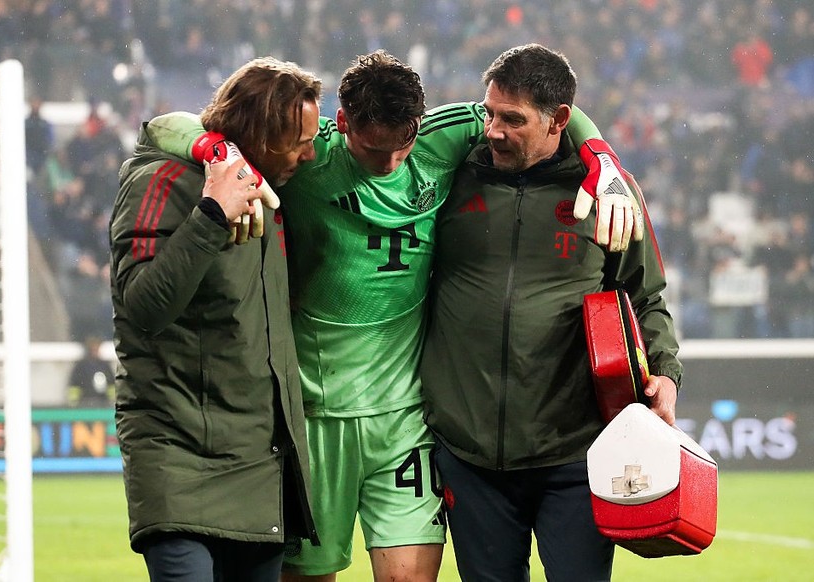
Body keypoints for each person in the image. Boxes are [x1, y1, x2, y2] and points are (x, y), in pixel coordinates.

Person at [146, 49, 640, 582]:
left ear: (419, 126)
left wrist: (601, 155)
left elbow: (555, 111)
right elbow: (160, 128)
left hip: (404, 418)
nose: (387, 164)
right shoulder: (306, 157)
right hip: (314, 416)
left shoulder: (448, 135)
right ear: (342, 125)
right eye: (371, 149)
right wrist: (213, 148)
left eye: (401, 148)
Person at [420, 44, 683, 581]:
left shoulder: (609, 193)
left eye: (512, 120)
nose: (492, 129)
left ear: (559, 120)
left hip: (575, 451)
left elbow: (644, 295)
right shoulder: (449, 177)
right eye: (489, 112)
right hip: (469, 456)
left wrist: (668, 374)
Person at [109, 57, 322, 581]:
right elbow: (142, 306)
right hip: (177, 451)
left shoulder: (271, 190)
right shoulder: (163, 179)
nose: (309, 153)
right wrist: (211, 213)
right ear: (258, 131)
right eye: (297, 139)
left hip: (256, 459)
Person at [66, 336, 114, 408]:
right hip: (84, 403)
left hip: (102, 404)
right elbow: (74, 385)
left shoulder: (104, 366)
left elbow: (111, 384)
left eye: (96, 348)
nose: (95, 350)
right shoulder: (81, 366)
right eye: (93, 348)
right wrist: (74, 403)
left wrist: (112, 401)